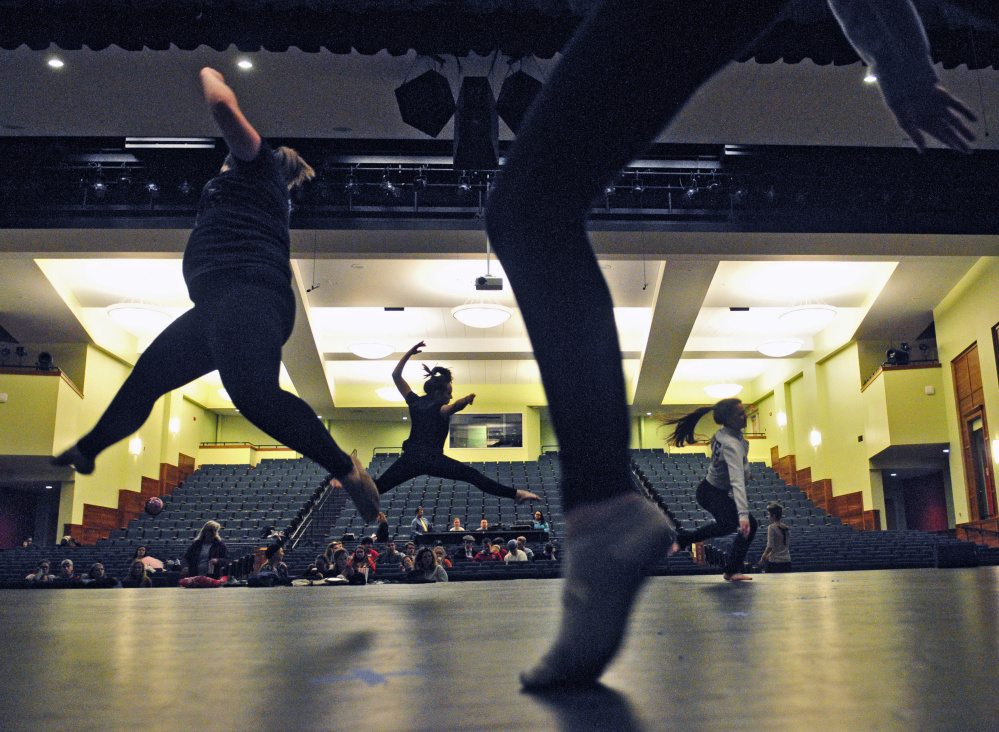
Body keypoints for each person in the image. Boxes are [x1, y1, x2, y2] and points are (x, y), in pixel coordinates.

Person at [484, 0, 974, 690]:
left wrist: (901, 64)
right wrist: (901, 67)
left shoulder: (731, 441)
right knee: (531, 208)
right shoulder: (726, 441)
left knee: (528, 208)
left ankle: (601, 509)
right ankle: (601, 509)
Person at [51, 66, 380, 525]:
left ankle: (348, 471)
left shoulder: (258, 165)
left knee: (254, 396)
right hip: (215, 305)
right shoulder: (250, 186)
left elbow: (223, 106)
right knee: (147, 379)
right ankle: (87, 450)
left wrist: (206, 69)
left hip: (249, 296)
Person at [374, 342, 540, 506]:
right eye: (448, 393)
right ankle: (517, 494)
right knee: (472, 476)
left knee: (378, 487)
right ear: (438, 393)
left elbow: (396, 376)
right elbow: (453, 407)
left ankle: (351, 479)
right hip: (432, 459)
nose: (450, 397)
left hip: (410, 459)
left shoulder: (414, 401)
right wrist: (466, 400)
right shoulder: (439, 409)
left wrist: (409, 353)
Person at [668, 399, 756, 581]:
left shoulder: (723, 435)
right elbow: (736, 481)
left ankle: (683, 540)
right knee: (746, 525)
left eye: (744, 411)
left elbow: (737, 467)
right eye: (740, 414)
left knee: (730, 525)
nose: (745, 415)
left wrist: (747, 472)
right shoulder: (731, 444)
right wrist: (743, 516)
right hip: (711, 492)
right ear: (728, 419)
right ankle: (731, 570)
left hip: (711, 490)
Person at [760, 503, 793, 573]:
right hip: (787, 560)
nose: (768, 516)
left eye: (769, 514)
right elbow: (785, 545)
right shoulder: (786, 527)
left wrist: (763, 556)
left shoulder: (771, 527)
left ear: (773, 515)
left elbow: (770, 546)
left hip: (775, 562)